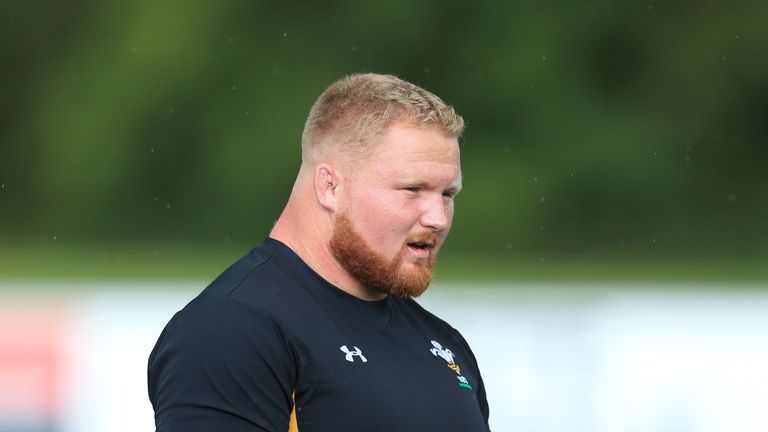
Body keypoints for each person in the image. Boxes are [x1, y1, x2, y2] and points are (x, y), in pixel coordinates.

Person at [147, 73, 490, 431]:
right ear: (330, 186)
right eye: (412, 189)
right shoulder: (231, 330)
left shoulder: (444, 344)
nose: (438, 218)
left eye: (448, 194)